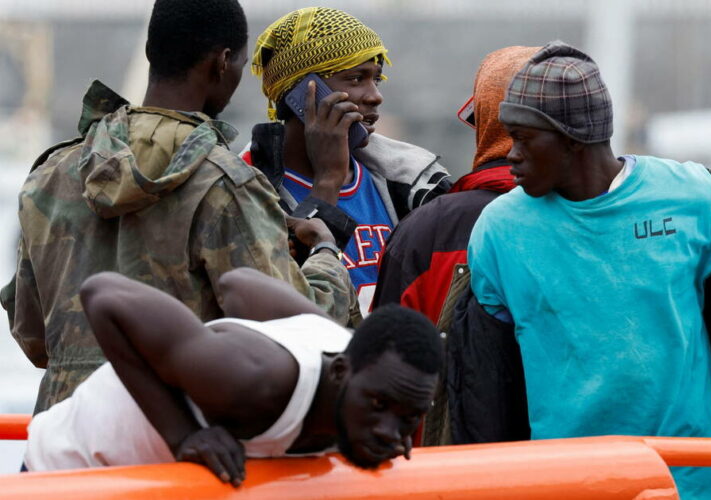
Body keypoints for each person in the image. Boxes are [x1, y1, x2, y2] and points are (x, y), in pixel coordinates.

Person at [466, 41, 711, 499]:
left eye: (524, 138)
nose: (511, 155)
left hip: (689, 477)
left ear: (571, 139)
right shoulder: (500, 231)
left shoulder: (697, 200)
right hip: (562, 481)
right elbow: (487, 380)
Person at [1, 0, 355, 414]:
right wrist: (327, 250)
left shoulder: (52, 173)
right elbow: (296, 331)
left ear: (151, 52)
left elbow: (32, 337)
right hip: (180, 442)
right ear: (223, 63)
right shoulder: (225, 183)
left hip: (65, 440)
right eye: (240, 63)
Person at [24, 269, 442, 486]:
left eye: (408, 417)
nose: (391, 432)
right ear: (339, 372)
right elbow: (104, 293)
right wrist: (184, 435)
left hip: (152, 480)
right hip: (71, 469)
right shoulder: (247, 383)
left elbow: (238, 283)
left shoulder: (361, 361)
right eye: (378, 405)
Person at [372, 46, 537, 446]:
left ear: (484, 125)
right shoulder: (610, 223)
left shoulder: (425, 232)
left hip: (443, 474)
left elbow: (381, 376)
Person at [241, 7, 451, 315]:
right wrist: (327, 181)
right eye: (356, 79)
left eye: (376, 79)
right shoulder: (242, 187)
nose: (374, 95)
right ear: (302, 93)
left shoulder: (412, 180)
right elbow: (288, 309)